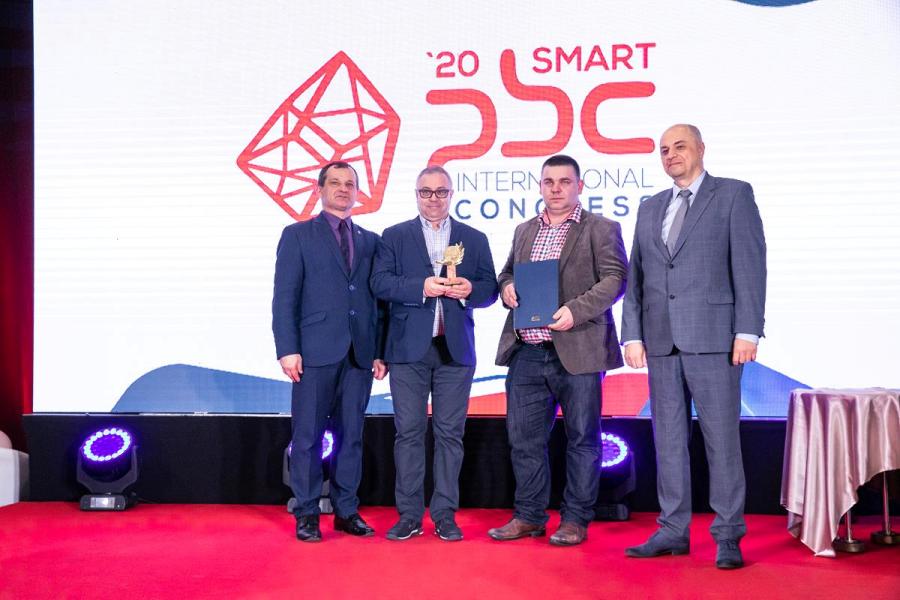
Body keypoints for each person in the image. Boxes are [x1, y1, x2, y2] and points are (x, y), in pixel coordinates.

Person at [620, 124, 766, 569]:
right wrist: (632, 334)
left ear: (701, 148)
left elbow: (750, 265)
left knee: (722, 441)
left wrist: (748, 331)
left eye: (680, 146)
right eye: (664, 150)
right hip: (661, 342)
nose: (671, 155)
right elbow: (637, 276)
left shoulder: (734, 195)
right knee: (668, 442)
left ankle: (728, 535)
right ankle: (672, 530)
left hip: (715, 339)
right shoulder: (650, 207)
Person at [489, 154, 627, 546]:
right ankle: (529, 516)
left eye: (564, 182)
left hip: (579, 350)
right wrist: (506, 287)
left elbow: (616, 279)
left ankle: (575, 520)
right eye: (548, 182)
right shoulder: (525, 229)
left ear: (579, 186)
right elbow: (507, 272)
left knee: (583, 439)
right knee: (524, 441)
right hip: (527, 352)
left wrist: (575, 310)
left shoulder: (601, 228)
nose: (555, 189)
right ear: (540, 186)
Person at [371, 165, 498, 541]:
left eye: (441, 192)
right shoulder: (394, 236)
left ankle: (444, 515)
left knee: (450, 436)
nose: (433, 199)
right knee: (408, 434)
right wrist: (421, 287)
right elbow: (380, 283)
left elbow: (490, 289)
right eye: (426, 192)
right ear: (416, 195)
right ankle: (409, 515)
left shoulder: (473, 238)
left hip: (455, 351)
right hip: (408, 350)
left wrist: (470, 290)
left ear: (451, 194)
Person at [272, 161, 387, 542]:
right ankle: (306, 513)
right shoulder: (297, 235)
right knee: (307, 437)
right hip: (313, 353)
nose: (343, 189)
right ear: (319, 189)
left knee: (352, 436)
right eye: (335, 183)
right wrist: (287, 349)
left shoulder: (371, 240)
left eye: (349, 184)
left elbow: (376, 302)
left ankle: (346, 511)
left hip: (359, 354)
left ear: (357, 192)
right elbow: (284, 297)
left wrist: (378, 350)